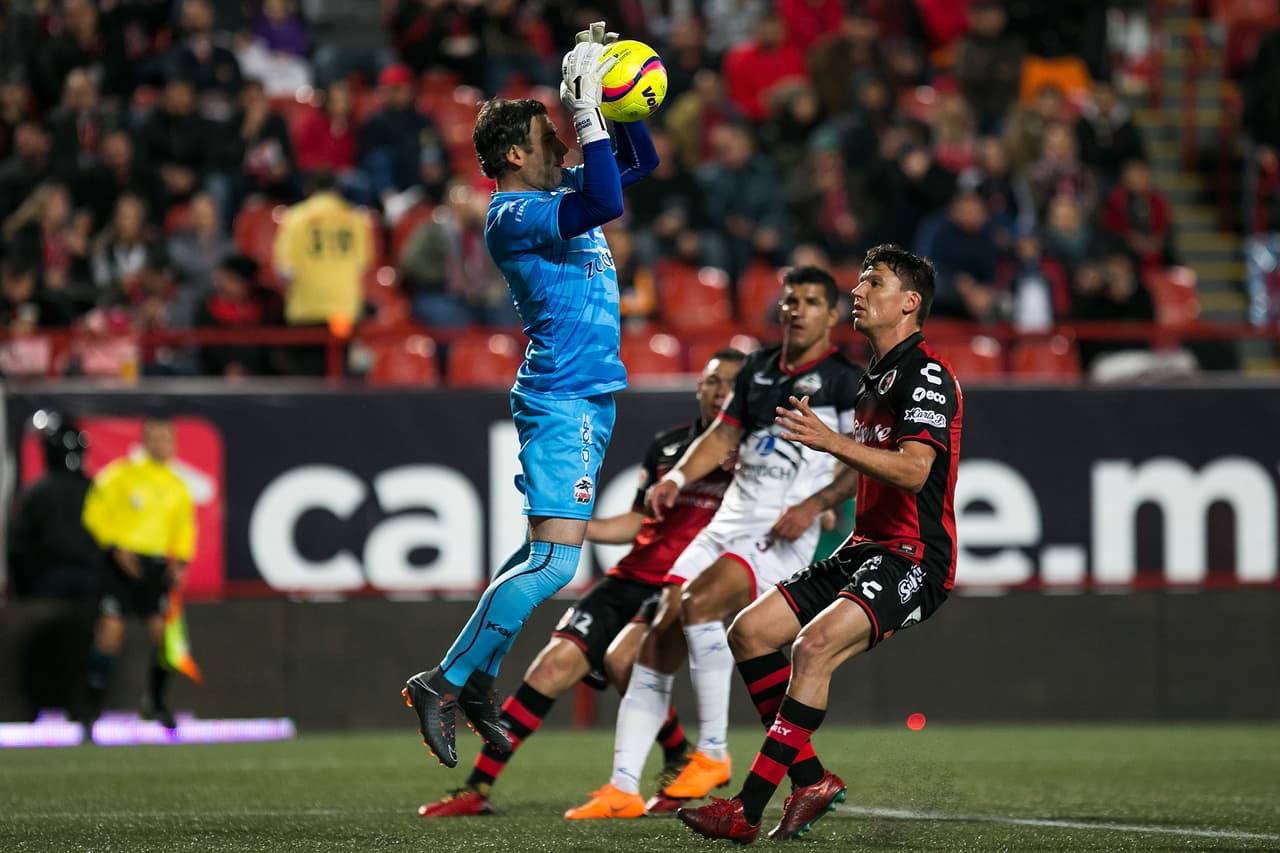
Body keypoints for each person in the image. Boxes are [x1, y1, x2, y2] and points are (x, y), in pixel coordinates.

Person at [401, 21, 658, 771]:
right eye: (552, 138)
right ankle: (441, 680)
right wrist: (583, 110)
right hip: (562, 399)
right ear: (515, 155)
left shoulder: (557, 191)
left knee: (537, 553)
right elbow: (607, 199)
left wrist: (611, 102)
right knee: (552, 565)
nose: (566, 147)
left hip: (584, 396)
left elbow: (635, 166)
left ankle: (479, 682)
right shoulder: (512, 214)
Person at [677, 244, 962, 844]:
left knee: (812, 648)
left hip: (914, 556)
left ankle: (747, 811)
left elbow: (913, 471)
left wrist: (830, 443)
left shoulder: (926, 374)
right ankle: (810, 781)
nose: (857, 292)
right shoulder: (873, 378)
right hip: (866, 546)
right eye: (859, 282)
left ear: (909, 303)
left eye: (873, 283)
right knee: (748, 633)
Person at [566, 266, 861, 820]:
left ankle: (715, 753)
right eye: (791, 299)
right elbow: (723, 435)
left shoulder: (844, 381)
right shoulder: (757, 370)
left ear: (832, 314)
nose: (797, 308)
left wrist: (815, 506)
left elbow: (858, 461)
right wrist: (675, 478)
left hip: (779, 530)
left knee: (700, 606)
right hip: (728, 522)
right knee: (656, 637)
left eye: (811, 301)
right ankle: (624, 786)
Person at [417, 349, 746, 817]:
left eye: (732, 383)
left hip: (685, 584)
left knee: (623, 660)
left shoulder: (755, 452)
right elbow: (635, 522)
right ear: (699, 389)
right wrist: (572, 527)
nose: (721, 391)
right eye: (713, 382)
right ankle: (476, 788)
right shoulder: (669, 448)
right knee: (550, 668)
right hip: (631, 577)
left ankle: (684, 757)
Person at [80, 416, 196, 732]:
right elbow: (93, 512)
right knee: (109, 634)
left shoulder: (177, 485)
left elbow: (184, 527)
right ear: (144, 442)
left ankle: (155, 702)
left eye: (167, 439)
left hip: (156, 567)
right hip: (121, 562)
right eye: (156, 439)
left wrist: (181, 563)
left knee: (164, 640)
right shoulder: (120, 476)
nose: (162, 445)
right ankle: (90, 709)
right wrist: (115, 546)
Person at [6, 411, 98, 604]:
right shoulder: (96, 491)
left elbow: (18, 547)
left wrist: (24, 590)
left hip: (45, 587)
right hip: (89, 585)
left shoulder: (35, 493)